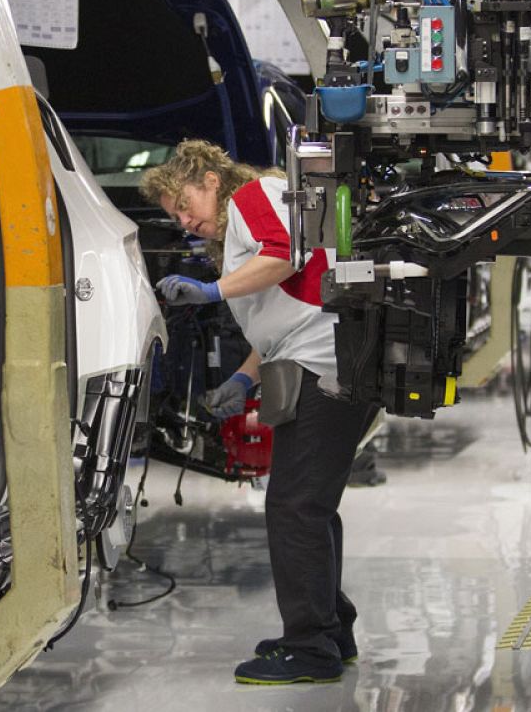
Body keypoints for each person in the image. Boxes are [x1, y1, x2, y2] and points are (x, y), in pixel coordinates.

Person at [140, 139, 376, 686]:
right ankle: (330, 631)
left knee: (294, 508)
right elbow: (280, 309)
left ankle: (309, 648)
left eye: (183, 204)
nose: (183, 221)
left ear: (208, 179)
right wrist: (245, 376)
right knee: (310, 506)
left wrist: (210, 290)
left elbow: (283, 256)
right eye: (174, 216)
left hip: (327, 367)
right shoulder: (243, 218)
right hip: (314, 361)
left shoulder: (253, 193)